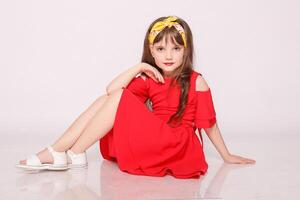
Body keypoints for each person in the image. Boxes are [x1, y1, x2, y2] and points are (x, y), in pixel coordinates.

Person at [16, 16, 255, 178]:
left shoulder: (196, 81)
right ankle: (62, 150)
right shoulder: (151, 77)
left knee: (120, 96)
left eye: (176, 48)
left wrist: (226, 155)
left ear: (186, 50)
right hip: (153, 139)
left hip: (176, 144)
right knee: (107, 100)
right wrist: (139, 67)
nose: (168, 56)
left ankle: (71, 152)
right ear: (151, 51)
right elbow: (110, 92)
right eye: (160, 49)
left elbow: (208, 123)